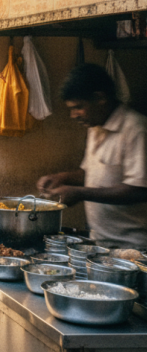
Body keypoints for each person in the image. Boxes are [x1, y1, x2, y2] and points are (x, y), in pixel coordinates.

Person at [37, 63, 147, 249]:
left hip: (133, 247)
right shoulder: (95, 126)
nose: (73, 115)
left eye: (78, 107)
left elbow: (140, 189)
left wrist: (79, 193)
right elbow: (90, 172)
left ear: (100, 98)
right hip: (100, 240)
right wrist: (62, 178)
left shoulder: (136, 129)